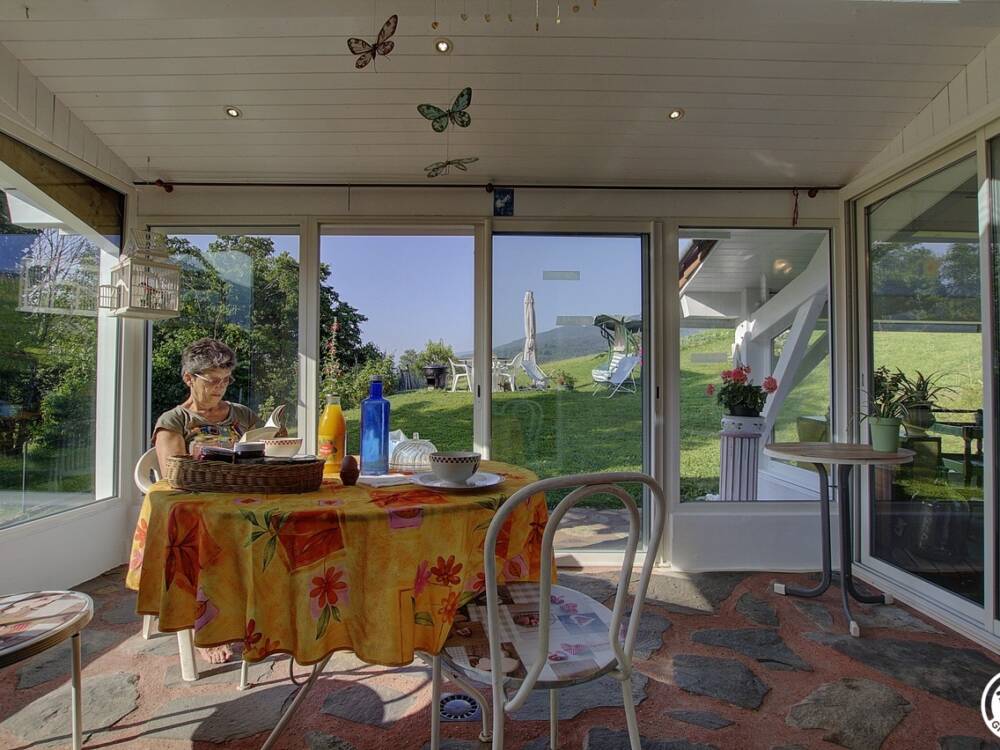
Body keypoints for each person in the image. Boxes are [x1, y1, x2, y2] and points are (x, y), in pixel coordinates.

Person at [152, 337, 257, 664]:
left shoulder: (242, 415)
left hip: (243, 502)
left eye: (225, 380)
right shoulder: (174, 421)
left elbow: (267, 454)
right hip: (200, 506)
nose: (220, 388)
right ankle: (207, 628)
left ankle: (260, 611)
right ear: (189, 378)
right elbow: (176, 475)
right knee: (203, 539)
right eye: (212, 381)